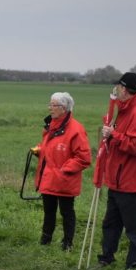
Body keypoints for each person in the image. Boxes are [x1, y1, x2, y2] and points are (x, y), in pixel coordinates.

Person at [97, 73, 136, 270]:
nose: (116, 90)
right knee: (110, 224)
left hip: (130, 180)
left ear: (125, 89)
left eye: (118, 86)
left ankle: (134, 265)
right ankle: (106, 258)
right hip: (117, 178)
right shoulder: (124, 109)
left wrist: (114, 135)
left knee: (133, 228)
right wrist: (111, 133)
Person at [32, 92, 91, 250]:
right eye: (50, 104)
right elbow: (50, 148)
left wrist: (64, 169)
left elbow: (84, 158)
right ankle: (45, 241)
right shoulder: (51, 125)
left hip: (64, 180)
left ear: (64, 108)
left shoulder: (76, 130)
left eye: (53, 105)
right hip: (49, 178)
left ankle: (67, 244)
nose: (50, 108)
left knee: (67, 213)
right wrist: (40, 150)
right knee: (48, 211)